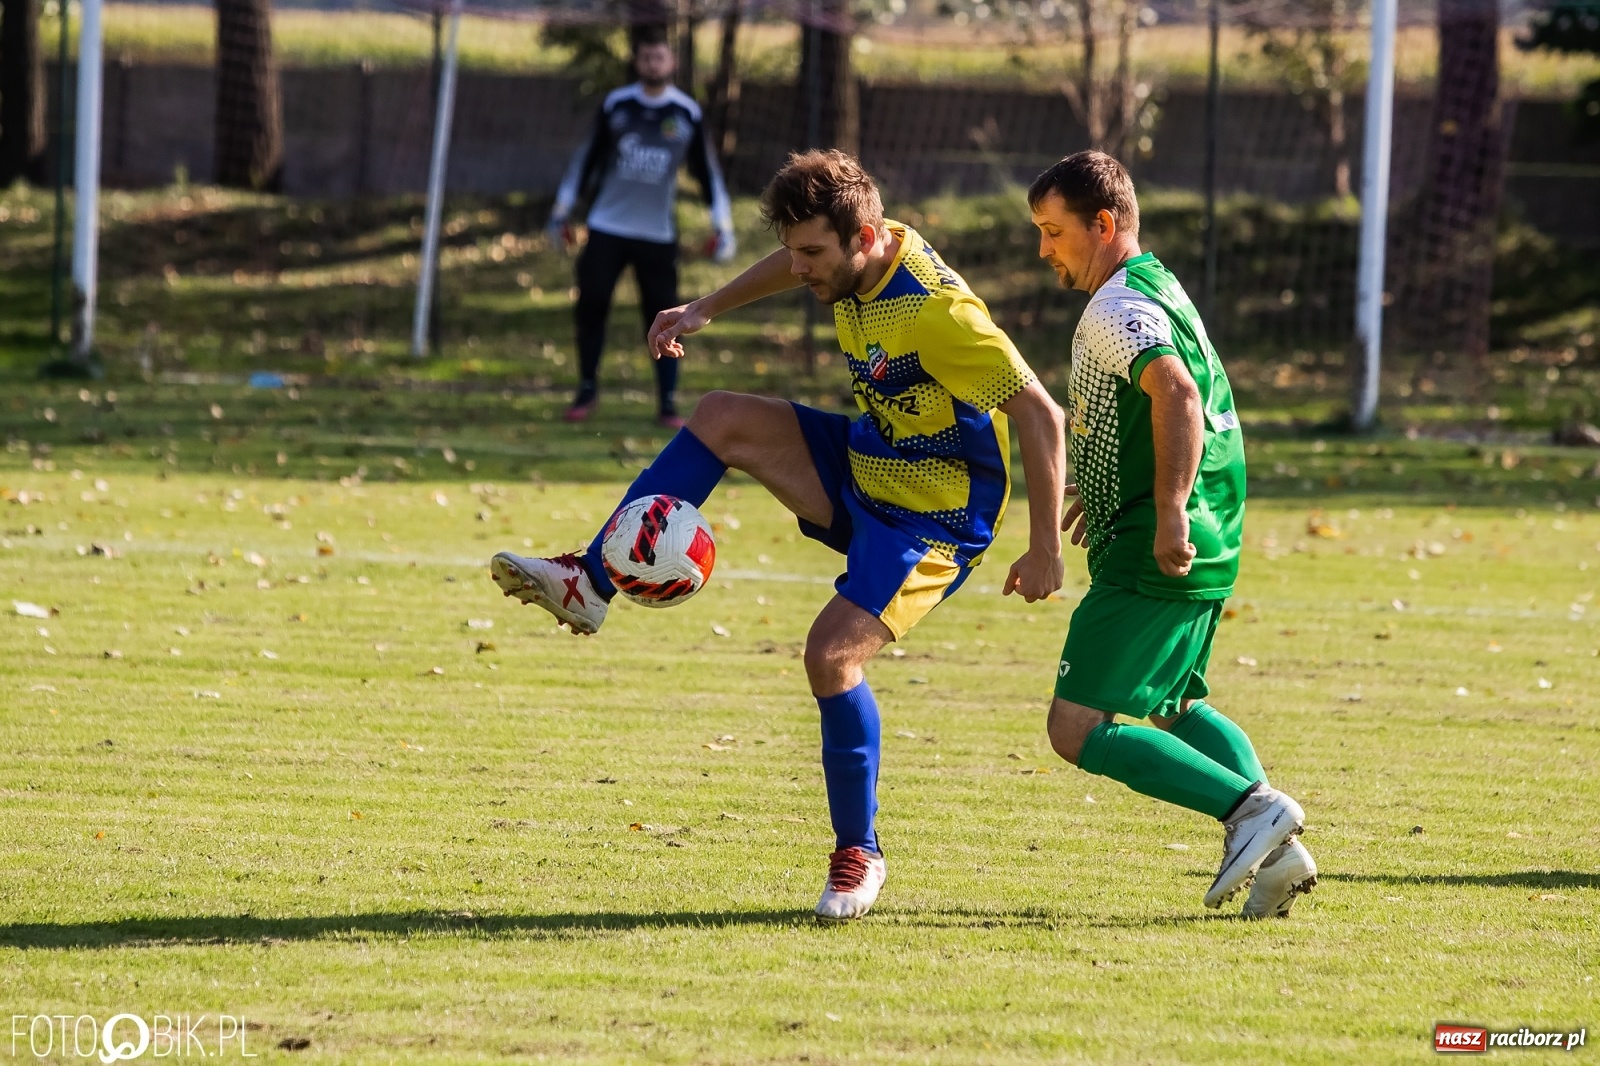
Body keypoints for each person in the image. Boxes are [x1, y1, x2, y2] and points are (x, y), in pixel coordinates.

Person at [492, 149, 1067, 922]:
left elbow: (1040, 413)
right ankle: (591, 583)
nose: (799, 269)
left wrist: (1045, 548)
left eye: (812, 254)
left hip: (933, 519)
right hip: (864, 463)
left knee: (830, 657)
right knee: (722, 414)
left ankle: (859, 852)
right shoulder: (853, 248)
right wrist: (703, 308)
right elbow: (792, 255)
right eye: (793, 250)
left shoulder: (939, 314)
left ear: (864, 237)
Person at [1028, 151, 1317, 918]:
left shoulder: (1116, 308)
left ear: (1104, 224)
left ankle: (1251, 814)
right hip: (1214, 527)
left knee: (1076, 727)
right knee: (1176, 705)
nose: (1044, 250)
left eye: (1054, 232)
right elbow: (1153, 406)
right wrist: (1113, 478)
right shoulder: (1157, 285)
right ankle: (1278, 853)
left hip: (1162, 540)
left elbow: (1178, 395)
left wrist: (1164, 509)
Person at [547, 24, 736, 429]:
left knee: (665, 317)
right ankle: (586, 391)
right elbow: (586, 161)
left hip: (656, 235)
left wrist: (722, 225)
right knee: (592, 305)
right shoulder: (617, 105)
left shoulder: (686, 112)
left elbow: (707, 174)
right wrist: (562, 211)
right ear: (637, 61)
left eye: (660, 56)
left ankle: (668, 403)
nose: (653, 63)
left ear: (672, 61)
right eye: (646, 56)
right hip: (607, 227)